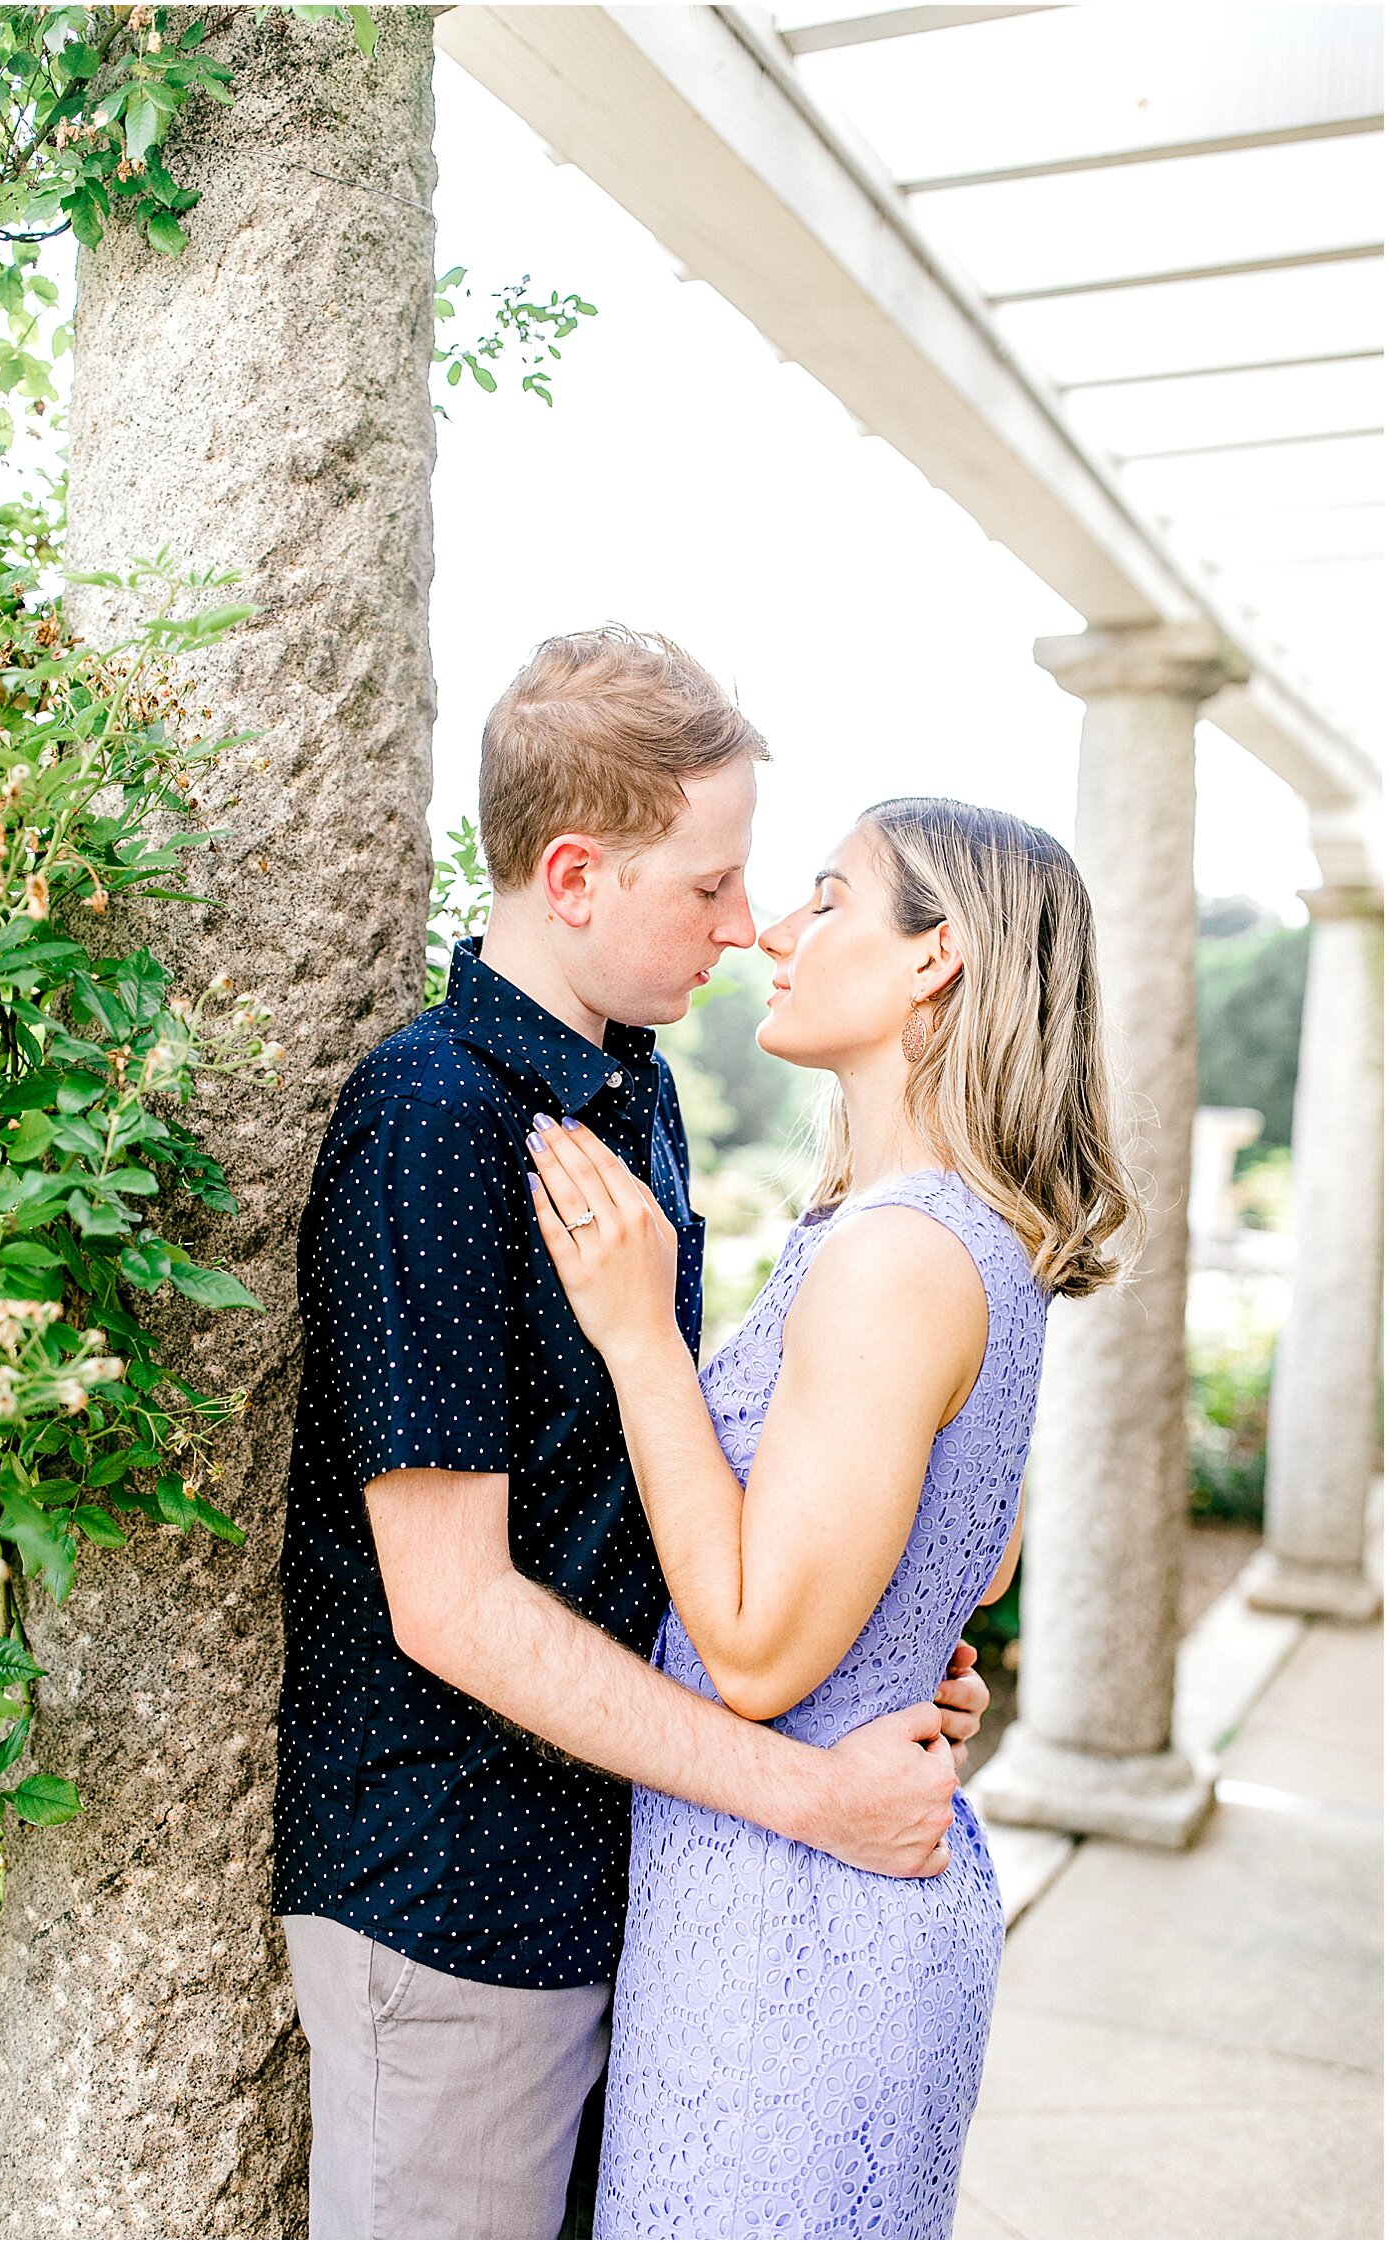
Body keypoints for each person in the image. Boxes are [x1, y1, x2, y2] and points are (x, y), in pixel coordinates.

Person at [271, 633, 991, 2242]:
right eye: (712, 884)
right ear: (577, 875)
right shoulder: (433, 1119)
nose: (749, 926)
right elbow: (447, 1604)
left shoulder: (634, 1090)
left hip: (628, 1884)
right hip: (456, 1909)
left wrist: (878, 1641)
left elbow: (656, 1494)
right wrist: (805, 1796)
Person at [525, 795, 1141, 2242]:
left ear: (939, 959)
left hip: (792, 1940)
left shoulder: (897, 1258)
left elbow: (749, 1652)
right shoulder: (975, 1233)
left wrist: (640, 1339)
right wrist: (916, 1667)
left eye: (829, 896)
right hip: (817, 1899)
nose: (777, 932)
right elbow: (972, 1568)